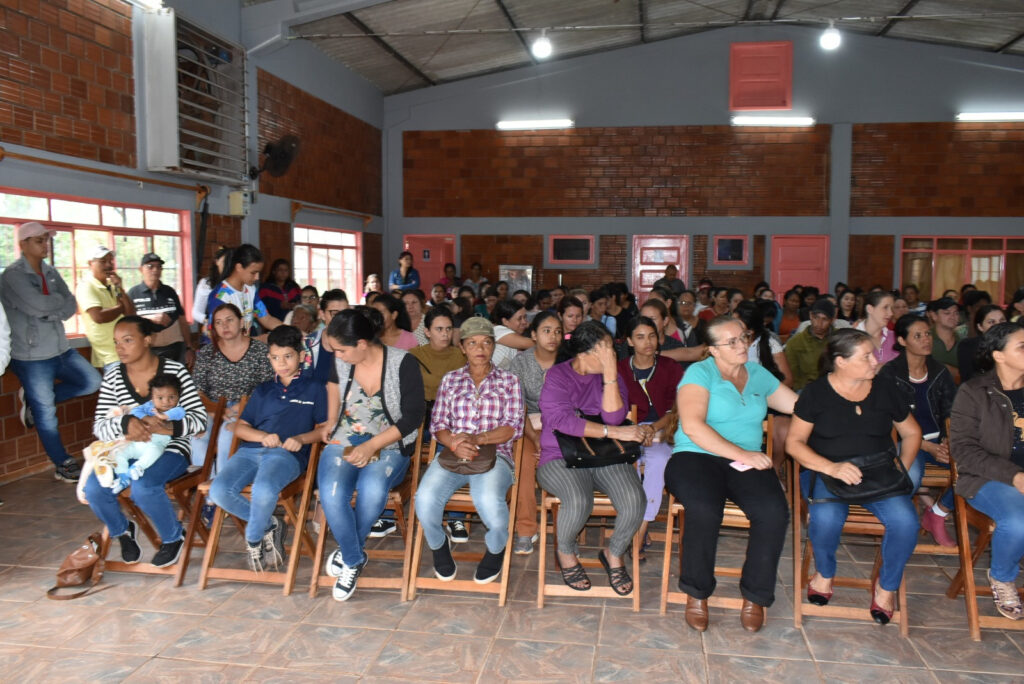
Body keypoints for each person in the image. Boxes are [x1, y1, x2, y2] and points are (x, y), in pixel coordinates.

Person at [666, 317, 797, 632]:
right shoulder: (699, 374)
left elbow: (797, 406)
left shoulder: (757, 374)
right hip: (696, 457)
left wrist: (836, 396)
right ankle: (697, 593)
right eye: (732, 342)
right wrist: (744, 455)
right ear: (712, 350)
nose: (742, 345)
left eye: (744, 337)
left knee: (774, 512)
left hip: (744, 462)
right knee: (704, 510)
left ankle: (756, 596)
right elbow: (694, 427)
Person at [786, 328, 922, 626]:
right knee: (824, 519)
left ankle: (886, 587)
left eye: (874, 354)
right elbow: (793, 443)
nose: (876, 361)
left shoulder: (885, 389)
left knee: (906, 522)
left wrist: (902, 466)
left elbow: (912, 432)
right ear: (841, 362)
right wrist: (830, 467)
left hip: (880, 472)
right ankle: (824, 572)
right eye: (867, 356)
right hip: (828, 470)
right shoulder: (816, 393)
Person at [80, 316, 207, 566]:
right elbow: (100, 426)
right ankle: (121, 530)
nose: (120, 348)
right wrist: (126, 423)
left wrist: (166, 427)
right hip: (127, 448)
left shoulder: (174, 371)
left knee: (144, 487)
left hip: (170, 448)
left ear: (147, 340)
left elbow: (199, 419)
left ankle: (172, 537)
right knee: (94, 489)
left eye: (128, 340)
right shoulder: (114, 375)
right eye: (117, 342)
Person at [318, 308, 425, 600]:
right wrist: (330, 419)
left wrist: (372, 445)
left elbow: (413, 417)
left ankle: (347, 549)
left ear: (362, 344)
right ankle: (353, 559)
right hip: (345, 438)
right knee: (331, 491)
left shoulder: (403, 363)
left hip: (389, 443)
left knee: (373, 487)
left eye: (341, 350)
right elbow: (332, 384)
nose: (337, 356)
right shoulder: (340, 362)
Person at [538, 321, 646, 595]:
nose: (613, 355)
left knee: (635, 500)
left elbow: (614, 416)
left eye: (612, 349)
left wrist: (610, 375)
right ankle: (566, 553)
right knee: (578, 499)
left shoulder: (612, 374)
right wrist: (614, 431)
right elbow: (562, 421)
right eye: (606, 350)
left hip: (605, 454)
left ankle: (614, 552)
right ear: (584, 354)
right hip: (560, 455)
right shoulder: (558, 376)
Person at [208, 325, 327, 572]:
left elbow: (326, 429)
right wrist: (262, 436)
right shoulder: (262, 390)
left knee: (263, 488)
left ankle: (253, 540)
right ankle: (269, 525)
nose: (281, 363)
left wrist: (303, 439)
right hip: (249, 451)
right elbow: (239, 427)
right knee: (219, 490)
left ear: (301, 355)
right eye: (274, 357)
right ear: (269, 358)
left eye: (288, 356)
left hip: (286, 455)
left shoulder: (315, 388)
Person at [415, 317, 524, 584]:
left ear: (493, 346)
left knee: (488, 500)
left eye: (487, 342)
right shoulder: (451, 380)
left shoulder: (509, 381)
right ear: (462, 348)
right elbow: (438, 423)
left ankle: (496, 549)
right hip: (454, 454)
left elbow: (513, 427)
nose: (480, 348)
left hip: (496, 455)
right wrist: (453, 441)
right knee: (424, 499)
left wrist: (477, 438)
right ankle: (439, 546)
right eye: (472, 343)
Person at [2, 222, 101, 482]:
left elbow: (70, 305)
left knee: (92, 381)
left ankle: (35, 402)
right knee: (46, 414)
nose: (45, 244)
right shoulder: (13, 276)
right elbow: (37, 306)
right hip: (32, 356)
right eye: (39, 240)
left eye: (46, 239)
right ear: (23, 244)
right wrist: (52, 306)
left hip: (60, 348)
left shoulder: (50, 271)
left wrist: (51, 308)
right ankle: (62, 462)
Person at [950, 322, 1024, 620]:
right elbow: (964, 451)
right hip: (987, 479)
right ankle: (1003, 577)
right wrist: (1015, 476)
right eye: (1022, 346)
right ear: (999, 355)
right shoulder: (974, 392)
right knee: (1019, 520)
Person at [879, 314, 957, 547]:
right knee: (908, 477)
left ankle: (938, 513)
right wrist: (927, 446)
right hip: (907, 441)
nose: (926, 340)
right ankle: (898, 529)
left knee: (974, 470)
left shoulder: (940, 372)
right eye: (918, 336)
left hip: (939, 441)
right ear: (902, 341)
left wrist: (948, 442)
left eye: (927, 335)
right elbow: (887, 420)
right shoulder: (889, 374)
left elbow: (951, 412)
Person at [618, 316, 683, 561]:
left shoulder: (670, 367)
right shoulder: (619, 369)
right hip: (627, 431)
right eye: (640, 337)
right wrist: (636, 430)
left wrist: (652, 429)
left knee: (658, 462)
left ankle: (640, 529)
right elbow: (613, 409)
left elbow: (676, 409)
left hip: (663, 431)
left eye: (652, 336)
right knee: (628, 466)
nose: (648, 342)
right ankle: (632, 523)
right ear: (630, 341)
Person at [191, 303, 274, 472]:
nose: (224, 326)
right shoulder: (207, 353)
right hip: (212, 408)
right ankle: (208, 492)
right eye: (219, 323)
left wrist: (241, 407)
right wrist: (217, 411)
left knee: (227, 435)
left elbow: (268, 389)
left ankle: (222, 488)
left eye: (229, 320)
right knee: (197, 435)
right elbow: (197, 391)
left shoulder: (259, 351)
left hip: (248, 408)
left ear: (241, 322)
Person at [80, 373, 187, 496]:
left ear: (178, 396)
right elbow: (136, 411)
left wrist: (162, 416)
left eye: (171, 397)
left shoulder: (178, 410)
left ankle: (137, 467)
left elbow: (177, 414)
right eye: (160, 398)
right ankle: (123, 476)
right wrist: (147, 417)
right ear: (152, 397)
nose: (166, 402)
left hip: (156, 443)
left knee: (155, 451)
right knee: (120, 455)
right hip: (138, 443)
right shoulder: (149, 406)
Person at [508, 312, 562, 555]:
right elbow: (517, 406)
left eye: (558, 331)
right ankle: (526, 529)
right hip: (528, 425)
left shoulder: (569, 361)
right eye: (546, 330)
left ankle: (566, 531)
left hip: (563, 426)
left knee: (566, 463)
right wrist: (535, 437)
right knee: (524, 462)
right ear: (533, 335)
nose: (553, 336)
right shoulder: (520, 363)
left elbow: (576, 406)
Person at [77, 244, 136, 373]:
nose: (108, 265)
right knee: (121, 392)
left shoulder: (113, 284)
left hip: (127, 349)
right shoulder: (86, 286)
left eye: (110, 261)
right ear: (90, 263)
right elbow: (99, 316)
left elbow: (131, 313)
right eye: (103, 261)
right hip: (110, 354)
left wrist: (119, 288)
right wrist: (121, 307)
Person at [129, 252, 192, 365]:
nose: (155, 270)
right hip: (148, 351)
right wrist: (150, 318)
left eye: (159, 267)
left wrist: (188, 347)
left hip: (175, 349)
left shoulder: (170, 291)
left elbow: (182, 320)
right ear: (141, 269)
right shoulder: (133, 293)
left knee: (176, 382)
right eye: (150, 266)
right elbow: (129, 322)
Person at [207, 244, 282, 336]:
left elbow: (266, 318)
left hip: (244, 345)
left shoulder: (251, 290)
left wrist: (290, 331)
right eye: (253, 273)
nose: (257, 277)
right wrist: (259, 340)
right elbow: (221, 337)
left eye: (259, 273)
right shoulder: (221, 296)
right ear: (239, 267)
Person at [785, 298, 837, 391]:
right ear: (810, 316)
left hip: (837, 386)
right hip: (807, 388)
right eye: (816, 318)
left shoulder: (839, 338)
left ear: (832, 320)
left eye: (824, 319)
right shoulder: (795, 343)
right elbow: (793, 376)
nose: (819, 324)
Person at [958, 304, 1007, 382]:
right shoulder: (968, 346)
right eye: (991, 322)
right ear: (980, 327)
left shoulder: (1012, 345)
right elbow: (968, 378)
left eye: (1002, 320)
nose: (998, 325)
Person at [854, 290, 899, 366]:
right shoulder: (853, 337)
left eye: (892, 309)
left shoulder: (894, 337)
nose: (891, 313)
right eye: (885, 307)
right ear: (869, 309)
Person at [490, 300, 533, 369]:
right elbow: (530, 343)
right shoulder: (497, 330)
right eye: (519, 319)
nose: (524, 322)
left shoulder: (514, 336)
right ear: (505, 321)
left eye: (525, 317)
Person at [192, 246, 227, 328]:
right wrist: (208, 321)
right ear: (217, 262)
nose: (228, 266)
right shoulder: (206, 284)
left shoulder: (237, 283)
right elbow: (196, 312)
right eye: (225, 262)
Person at [927, 297, 963, 375]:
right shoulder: (925, 339)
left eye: (956, 313)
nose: (953, 317)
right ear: (934, 316)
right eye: (947, 313)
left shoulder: (963, 343)